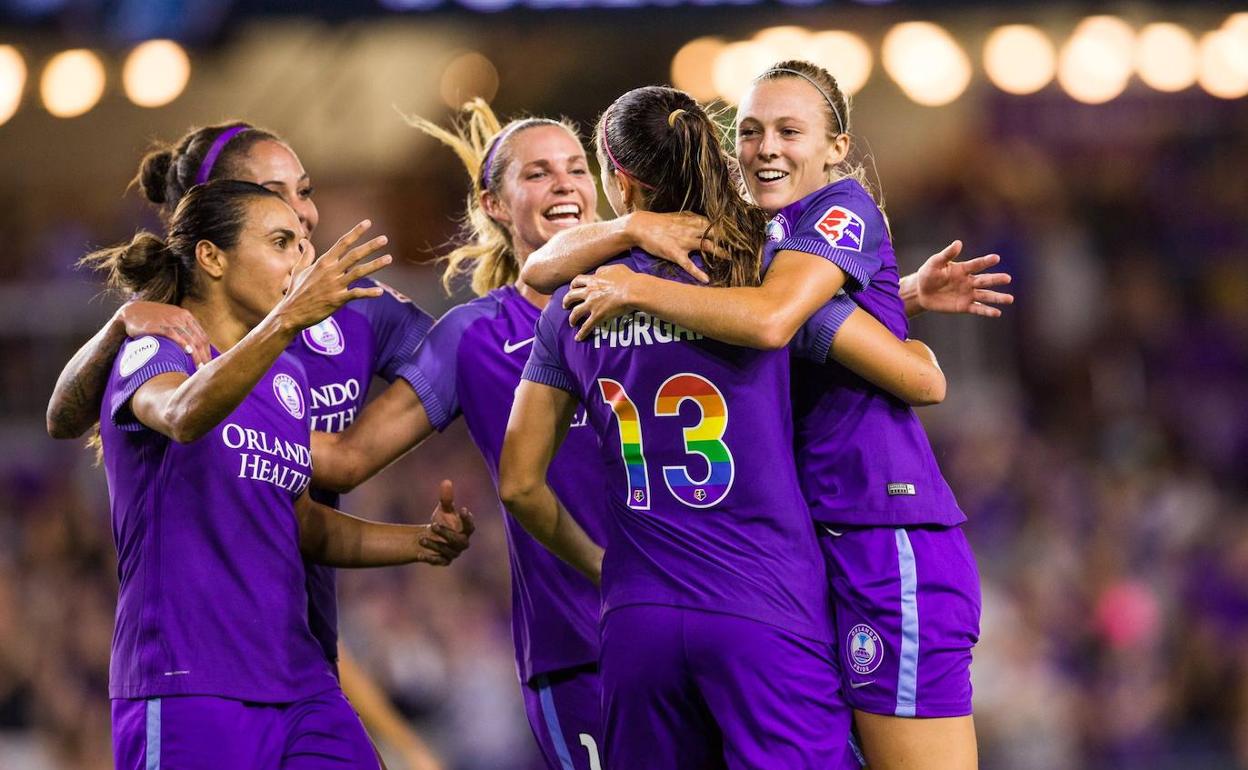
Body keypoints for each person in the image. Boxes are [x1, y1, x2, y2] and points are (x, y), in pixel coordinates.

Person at [517, 61, 986, 770]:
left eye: (790, 131)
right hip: (802, 556)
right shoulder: (756, 254)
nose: (766, 147)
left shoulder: (825, 223)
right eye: (751, 130)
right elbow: (795, 319)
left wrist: (636, 288)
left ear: (837, 146)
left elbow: (912, 373)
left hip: (882, 531)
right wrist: (899, 302)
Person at [44, 123, 443, 769]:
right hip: (189, 681)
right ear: (211, 257)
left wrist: (419, 542)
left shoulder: (286, 374)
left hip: (299, 682)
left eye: (301, 242)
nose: (299, 259)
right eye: (281, 243)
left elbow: (302, 521)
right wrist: (286, 320)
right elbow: (180, 413)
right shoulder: (156, 347)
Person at [309, 101, 612, 770]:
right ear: (494, 204)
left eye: (575, 168)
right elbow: (347, 459)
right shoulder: (473, 337)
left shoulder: (657, 297)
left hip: (701, 623)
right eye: (537, 173)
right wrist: (223, 406)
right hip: (581, 651)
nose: (564, 184)